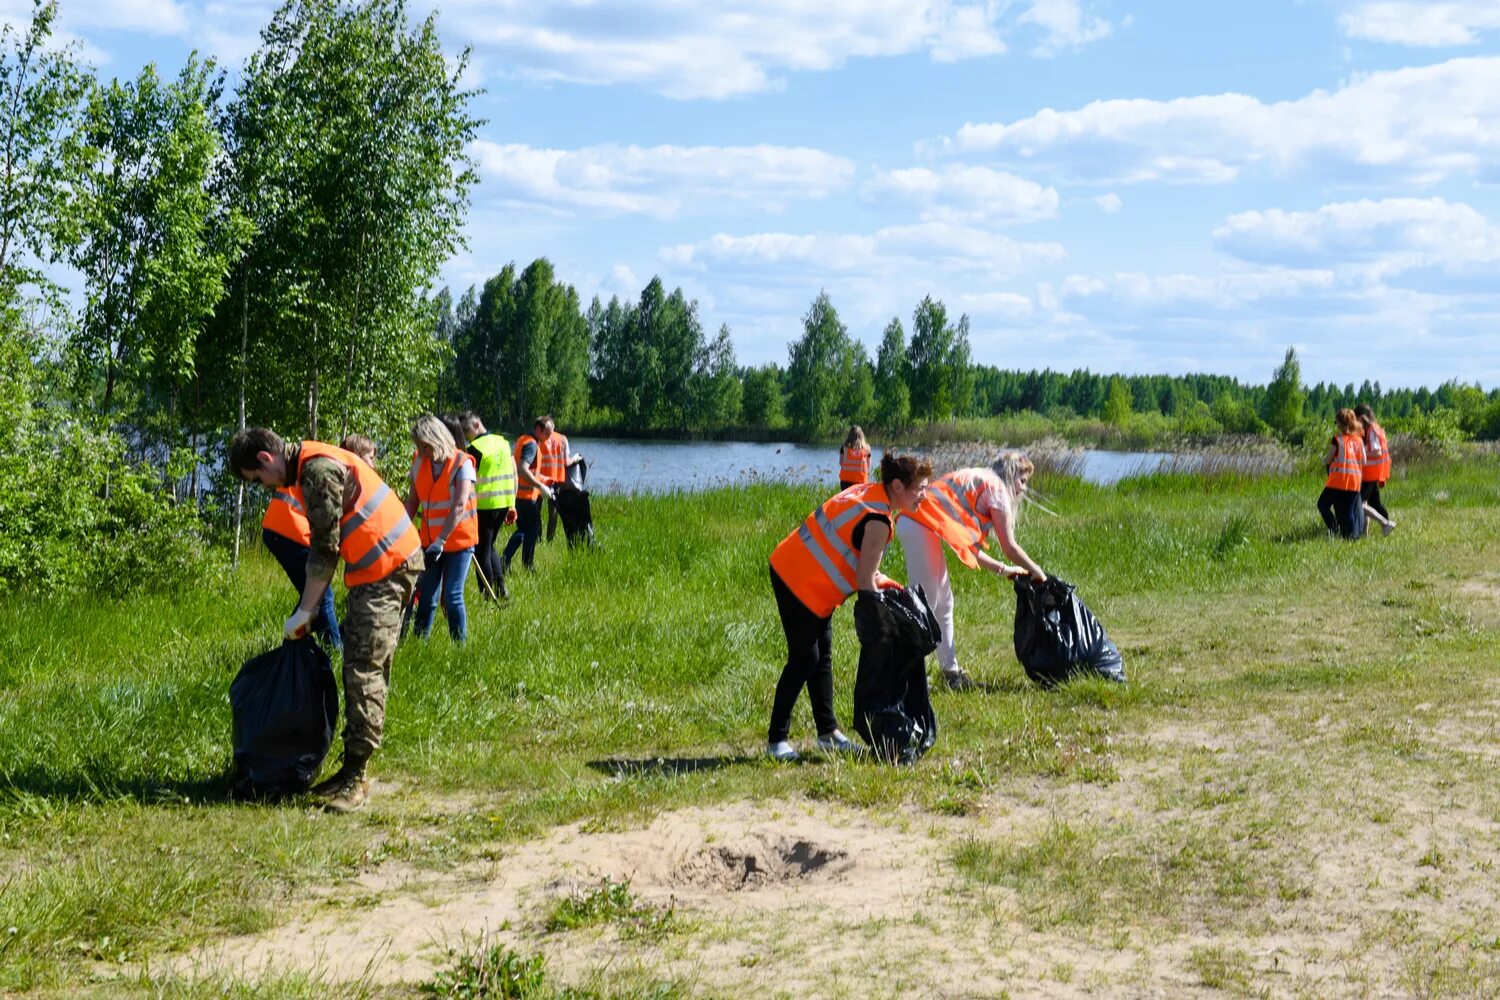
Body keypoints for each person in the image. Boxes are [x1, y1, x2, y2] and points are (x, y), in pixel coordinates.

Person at [229, 427, 422, 812]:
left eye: (258, 480)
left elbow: (324, 550)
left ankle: (355, 776)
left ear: (266, 460)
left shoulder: (316, 472)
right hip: (379, 568)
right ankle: (351, 769)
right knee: (359, 662)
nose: (266, 487)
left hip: (388, 567)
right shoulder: (308, 466)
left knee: (363, 669)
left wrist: (305, 610)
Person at [765, 452, 932, 762]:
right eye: (920, 488)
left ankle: (828, 734)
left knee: (822, 657)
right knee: (805, 659)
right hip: (797, 579)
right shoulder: (879, 519)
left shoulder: (869, 493)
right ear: (897, 486)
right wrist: (885, 622)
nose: (925, 495)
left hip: (804, 575)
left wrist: (887, 584)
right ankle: (777, 742)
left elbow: (861, 566)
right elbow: (865, 581)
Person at [896, 452, 1046, 691]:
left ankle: (950, 672)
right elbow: (1010, 547)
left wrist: (1004, 570)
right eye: (1023, 481)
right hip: (918, 525)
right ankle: (908, 677)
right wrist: (1038, 572)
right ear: (1010, 474)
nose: (1024, 489)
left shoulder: (983, 482)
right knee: (925, 604)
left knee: (944, 603)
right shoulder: (997, 489)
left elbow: (970, 547)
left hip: (920, 525)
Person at [404, 414, 477, 641]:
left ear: (436, 439)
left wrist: (441, 540)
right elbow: (412, 502)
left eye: (425, 446)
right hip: (429, 542)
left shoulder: (462, 463)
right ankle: (418, 642)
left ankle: (459, 647)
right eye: (419, 447)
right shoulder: (419, 461)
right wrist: (401, 534)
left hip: (458, 541)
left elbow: (458, 506)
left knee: (453, 595)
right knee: (426, 597)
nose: (423, 452)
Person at [259, 465, 343, 651]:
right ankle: (336, 651)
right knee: (322, 595)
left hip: (278, 527)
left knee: (313, 594)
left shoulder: (327, 465)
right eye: (371, 456)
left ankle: (291, 644)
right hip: (291, 530)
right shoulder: (342, 474)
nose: (373, 462)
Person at [459, 411, 516, 600]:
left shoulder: (475, 448)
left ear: (477, 425)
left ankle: (488, 594)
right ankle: (501, 588)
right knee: (489, 546)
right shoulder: (503, 442)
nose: (467, 437)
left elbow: (466, 477)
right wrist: (512, 503)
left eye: (467, 432)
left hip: (485, 504)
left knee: (481, 549)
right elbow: (513, 472)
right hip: (503, 503)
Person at [504, 416, 562, 572]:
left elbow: (529, 470)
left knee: (524, 530)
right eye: (547, 433)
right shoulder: (531, 445)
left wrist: (546, 480)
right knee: (530, 531)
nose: (549, 437)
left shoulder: (523, 439)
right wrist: (540, 485)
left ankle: (507, 560)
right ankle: (526, 565)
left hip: (519, 495)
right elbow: (523, 469)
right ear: (538, 429)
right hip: (526, 497)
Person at [1319, 408, 1367, 539]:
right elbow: (1364, 460)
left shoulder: (1337, 440)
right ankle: (1351, 538)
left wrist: (1322, 460)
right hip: (1354, 482)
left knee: (1322, 505)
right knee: (1349, 511)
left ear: (1339, 424)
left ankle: (1334, 529)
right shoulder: (1359, 440)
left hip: (1338, 481)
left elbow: (1328, 459)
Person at [1355, 403, 1396, 536]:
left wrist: (1360, 452)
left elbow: (1377, 451)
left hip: (1370, 473)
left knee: (1359, 503)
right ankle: (1365, 533)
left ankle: (1386, 523)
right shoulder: (1375, 428)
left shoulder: (1372, 430)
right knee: (1373, 503)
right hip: (1373, 472)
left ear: (1361, 418)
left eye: (1356, 419)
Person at [539, 418, 582, 542]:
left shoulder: (539, 438)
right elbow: (566, 462)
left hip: (538, 479)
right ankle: (549, 539)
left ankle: (538, 538)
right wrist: (575, 458)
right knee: (553, 513)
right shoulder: (562, 439)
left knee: (536, 511)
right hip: (555, 481)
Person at [838, 425, 872, 491]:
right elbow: (868, 465)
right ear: (862, 436)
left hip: (845, 482)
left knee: (848, 500)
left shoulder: (844, 448)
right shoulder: (867, 449)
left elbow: (840, 462)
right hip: (861, 482)